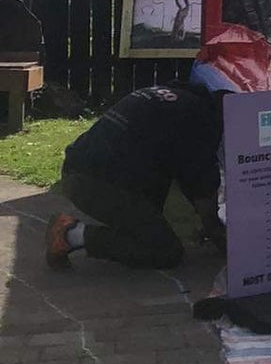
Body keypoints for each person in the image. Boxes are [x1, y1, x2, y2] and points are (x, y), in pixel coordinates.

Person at [45, 84, 225, 271]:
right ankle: (70, 234)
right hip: (95, 182)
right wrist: (216, 230)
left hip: (82, 165)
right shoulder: (201, 121)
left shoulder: (177, 98)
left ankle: (136, 228)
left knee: (155, 200)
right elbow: (202, 183)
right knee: (166, 251)